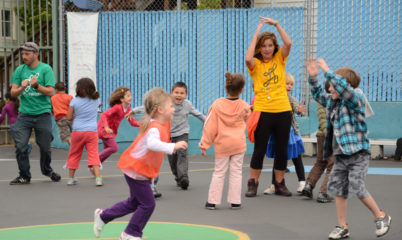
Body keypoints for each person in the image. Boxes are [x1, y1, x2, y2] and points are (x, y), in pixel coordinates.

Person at [307, 58, 391, 239]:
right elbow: (318, 95)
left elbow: (345, 91)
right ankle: (342, 225)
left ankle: (381, 216)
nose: (330, 89)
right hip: (341, 155)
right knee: (338, 189)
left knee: (357, 186)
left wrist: (328, 72)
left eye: (332, 86)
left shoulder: (356, 99)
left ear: (347, 85)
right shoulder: (333, 101)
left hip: (358, 154)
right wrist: (314, 78)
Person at [93, 87, 188, 240]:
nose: (173, 109)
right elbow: (152, 143)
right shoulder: (154, 128)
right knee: (148, 204)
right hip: (136, 170)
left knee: (134, 203)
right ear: (160, 110)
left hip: (138, 170)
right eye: (170, 106)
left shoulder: (159, 123)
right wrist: (173, 146)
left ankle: (103, 216)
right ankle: (130, 233)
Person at [245, 16, 293, 197]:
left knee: (282, 149)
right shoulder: (255, 65)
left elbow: (288, 43)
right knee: (260, 149)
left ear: (274, 47)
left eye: (270, 45)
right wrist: (257, 33)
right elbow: (248, 57)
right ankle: (253, 183)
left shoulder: (280, 60)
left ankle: (279, 183)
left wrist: (277, 24)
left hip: (282, 110)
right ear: (260, 48)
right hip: (263, 111)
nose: (267, 49)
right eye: (263, 46)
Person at [132, 82, 205, 190]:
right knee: (172, 159)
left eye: (182, 93)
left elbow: (197, 114)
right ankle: (177, 176)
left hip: (182, 133)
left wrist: (207, 121)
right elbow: (151, 106)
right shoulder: (166, 103)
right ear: (171, 93)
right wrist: (133, 110)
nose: (179, 95)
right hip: (168, 134)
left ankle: (183, 177)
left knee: (182, 154)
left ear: (186, 95)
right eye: (176, 92)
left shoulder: (187, 105)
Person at [9, 42, 61, 185]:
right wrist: (21, 88)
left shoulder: (46, 69)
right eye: (22, 53)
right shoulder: (20, 70)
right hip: (24, 115)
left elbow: (51, 91)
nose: (23, 56)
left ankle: (47, 170)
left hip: (42, 114)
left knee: (45, 147)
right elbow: (13, 92)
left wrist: (37, 86)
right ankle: (24, 175)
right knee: (21, 146)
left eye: (27, 54)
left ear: (36, 54)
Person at [199, 72, 250, 210]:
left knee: (219, 172)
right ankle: (235, 201)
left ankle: (212, 201)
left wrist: (205, 144)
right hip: (238, 143)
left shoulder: (217, 105)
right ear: (241, 89)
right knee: (236, 172)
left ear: (226, 87)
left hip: (223, 144)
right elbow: (246, 118)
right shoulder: (244, 105)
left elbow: (210, 126)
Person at [263, 73, 306, 196]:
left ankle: (302, 183)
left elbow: (296, 108)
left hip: (291, 132)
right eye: (287, 84)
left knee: (296, 157)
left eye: (291, 84)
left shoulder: (291, 99)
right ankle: (274, 184)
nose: (289, 86)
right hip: (278, 133)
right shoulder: (274, 99)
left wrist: (299, 110)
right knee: (278, 158)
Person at [302, 81, 335, 203]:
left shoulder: (323, 101)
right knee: (332, 164)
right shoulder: (329, 102)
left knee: (320, 162)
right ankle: (324, 192)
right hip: (329, 136)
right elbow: (324, 121)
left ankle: (309, 185)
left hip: (321, 136)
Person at [65, 78, 102, 186]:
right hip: (92, 131)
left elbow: (68, 117)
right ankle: (98, 178)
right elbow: (100, 103)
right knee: (94, 154)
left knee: (74, 154)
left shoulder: (74, 101)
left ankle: (71, 179)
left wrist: (76, 114)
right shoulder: (97, 100)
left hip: (77, 131)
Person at [97, 87, 139, 165]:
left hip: (110, 131)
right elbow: (103, 115)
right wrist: (106, 127)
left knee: (108, 150)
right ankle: (95, 161)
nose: (131, 97)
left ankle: (96, 166)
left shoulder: (128, 109)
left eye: (130, 95)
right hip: (103, 129)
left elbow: (132, 121)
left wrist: (141, 124)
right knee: (114, 147)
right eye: (128, 96)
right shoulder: (117, 108)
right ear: (121, 99)